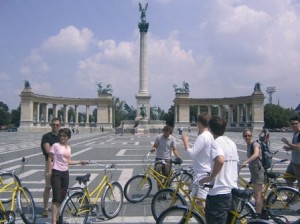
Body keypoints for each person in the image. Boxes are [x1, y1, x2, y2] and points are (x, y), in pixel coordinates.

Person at [199, 116, 239, 224]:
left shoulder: (216, 143)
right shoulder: (232, 143)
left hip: (219, 194)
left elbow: (220, 160)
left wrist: (210, 177)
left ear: (210, 129)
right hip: (233, 192)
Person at [47, 128, 88, 224]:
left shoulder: (68, 148)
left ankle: (57, 218)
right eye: (60, 135)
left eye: (64, 136)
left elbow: (68, 161)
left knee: (62, 197)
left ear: (68, 137)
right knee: (56, 198)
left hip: (65, 173)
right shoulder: (55, 145)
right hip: (56, 173)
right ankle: (53, 221)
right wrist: (49, 172)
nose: (62, 137)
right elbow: (50, 158)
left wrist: (80, 161)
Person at [182, 112, 214, 206]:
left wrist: (185, 142)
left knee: (200, 203)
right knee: (198, 202)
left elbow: (191, 154)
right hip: (206, 170)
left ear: (199, 123)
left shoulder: (203, 136)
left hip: (201, 173)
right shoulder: (210, 135)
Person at [240, 128, 265, 216]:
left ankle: (258, 215)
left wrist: (245, 162)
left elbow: (256, 154)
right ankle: (260, 209)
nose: (247, 137)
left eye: (249, 135)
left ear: (252, 136)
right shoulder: (249, 144)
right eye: (245, 136)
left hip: (257, 171)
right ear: (243, 137)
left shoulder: (255, 144)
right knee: (256, 193)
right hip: (254, 170)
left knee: (258, 195)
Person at [150, 125, 181, 190]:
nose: (166, 134)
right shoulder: (158, 137)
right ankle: (159, 191)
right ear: (163, 131)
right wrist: (153, 149)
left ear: (170, 132)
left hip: (168, 159)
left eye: (168, 133)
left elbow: (174, 149)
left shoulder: (172, 139)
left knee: (167, 177)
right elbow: (155, 146)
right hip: (159, 158)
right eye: (165, 132)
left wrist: (178, 157)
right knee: (158, 177)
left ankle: (165, 191)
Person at [40, 117, 60, 217]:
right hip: (50, 164)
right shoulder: (46, 137)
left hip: (60, 165)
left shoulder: (61, 137)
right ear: (51, 125)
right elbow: (48, 151)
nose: (55, 126)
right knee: (48, 187)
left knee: (58, 189)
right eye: (54, 124)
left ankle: (56, 208)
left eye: (57, 125)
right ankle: (45, 208)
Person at [281, 115, 300, 189]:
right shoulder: (295, 133)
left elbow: (298, 147)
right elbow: (295, 146)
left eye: (296, 123)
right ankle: (292, 195)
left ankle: (296, 197)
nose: (294, 125)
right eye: (292, 124)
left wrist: (287, 143)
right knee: (287, 177)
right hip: (294, 162)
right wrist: (289, 148)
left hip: (299, 163)